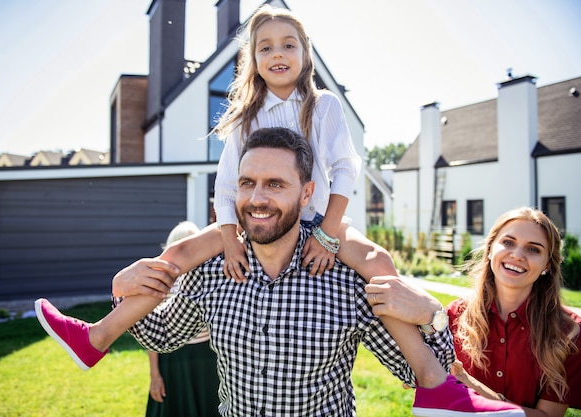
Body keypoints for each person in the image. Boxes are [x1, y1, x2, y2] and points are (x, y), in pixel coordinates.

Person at [34, 6, 522, 416]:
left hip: (321, 219)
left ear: (305, 54)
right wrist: (226, 240)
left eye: (288, 44)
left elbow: (347, 170)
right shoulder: (245, 114)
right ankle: (96, 338)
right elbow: (228, 185)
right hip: (244, 227)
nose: (277, 54)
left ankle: (437, 385)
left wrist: (329, 234)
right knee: (180, 252)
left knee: (378, 266)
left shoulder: (323, 106)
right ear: (252, 60)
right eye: (264, 47)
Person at [113, 127, 525, 416]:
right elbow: (163, 335)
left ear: (307, 192)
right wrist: (123, 290)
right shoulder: (217, 269)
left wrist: (433, 317)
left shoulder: (346, 280)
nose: (257, 198)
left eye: (275, 184)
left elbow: (413, 369)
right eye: (247, 183)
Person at [445, 207, 581, 417]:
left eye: (533, 249)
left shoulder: (570, 332)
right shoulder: (453, 315)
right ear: (490, 249)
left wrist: (467, 381)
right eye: (508, 242)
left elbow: (548, 416)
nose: (517, 255)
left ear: (547, 264)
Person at [145, 221, 219, 417]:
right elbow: (153, 331)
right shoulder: (161, 281)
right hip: (173, 357)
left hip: (207, 356)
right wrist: (155, 375)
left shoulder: (208, 276)